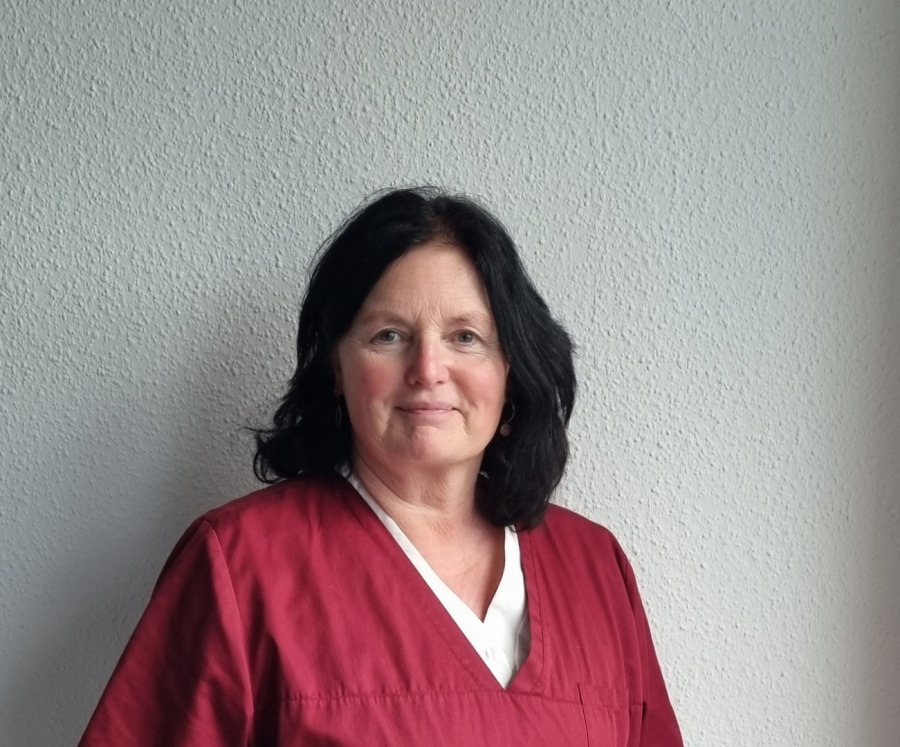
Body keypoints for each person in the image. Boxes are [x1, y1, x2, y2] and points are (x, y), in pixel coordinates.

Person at [79, 187, 682, 745]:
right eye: (389, 336)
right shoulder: (238, 566)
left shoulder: (597, 568)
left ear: (511, 370)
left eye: (466, 337)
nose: (428, 369)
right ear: (336, 370)